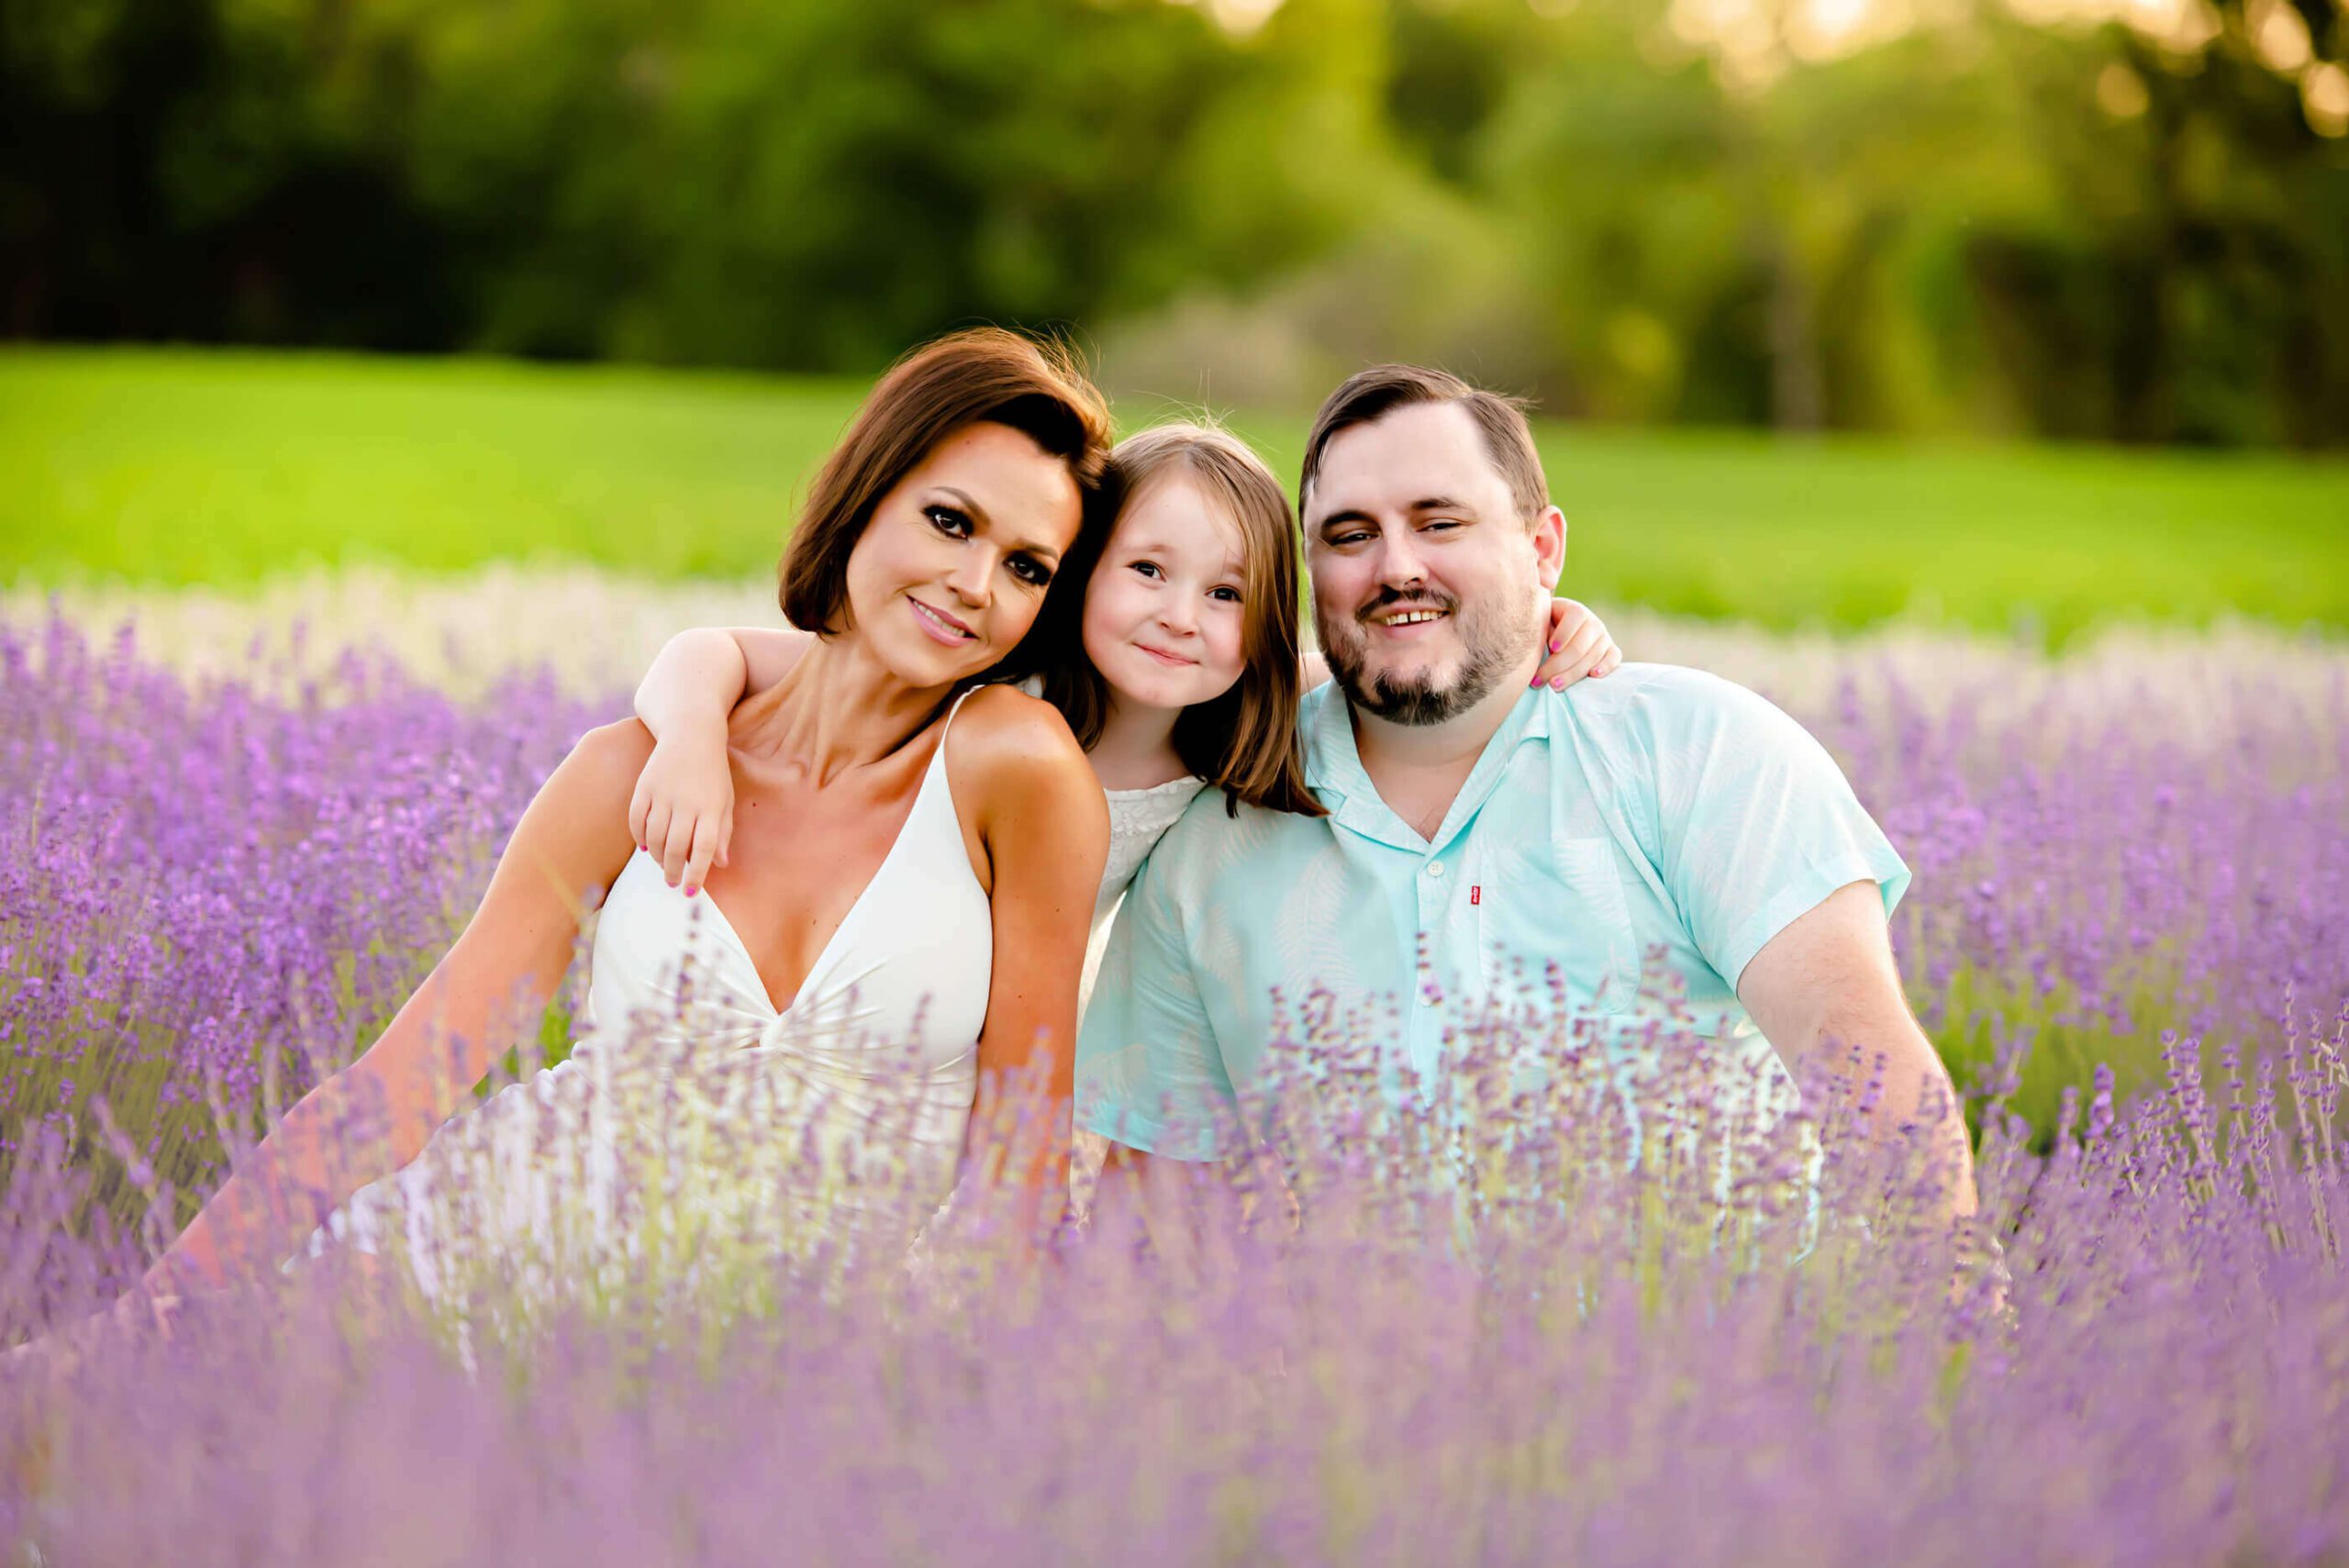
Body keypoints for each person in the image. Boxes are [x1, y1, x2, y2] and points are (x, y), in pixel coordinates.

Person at [137, 328, 1118, 1309]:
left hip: (784, 1369)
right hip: (465, 1268)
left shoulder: (1015, 770)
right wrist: (150, 1314)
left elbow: (1018, 1166)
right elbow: (398, 1087)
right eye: (950, 521)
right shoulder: (627, 768)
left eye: (1028, 568)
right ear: (864, 496)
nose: (976, 585)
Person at [1076, 366, 1979, 1231]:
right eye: (1350, 536)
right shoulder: (1217, 827)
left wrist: (1950, 1358)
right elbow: (1155, 1213)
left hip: (1715, 1366)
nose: (1396, 567)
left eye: (1440, 523)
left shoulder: (1701, 754)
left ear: (1542, 547)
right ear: (1308, 578)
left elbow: (1873, 1088)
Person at [629, 420, 1622, 1015]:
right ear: (1081, 569)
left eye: (1226, 593)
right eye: (1146, 569)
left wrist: (1549, 622)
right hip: (884, 1009)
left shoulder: (1254, 716)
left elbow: (1410, 658)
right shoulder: (988, 698)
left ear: (1263, 623)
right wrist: (688, 742)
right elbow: (712, 650)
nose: (1179, 617)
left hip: (1045, 1040)